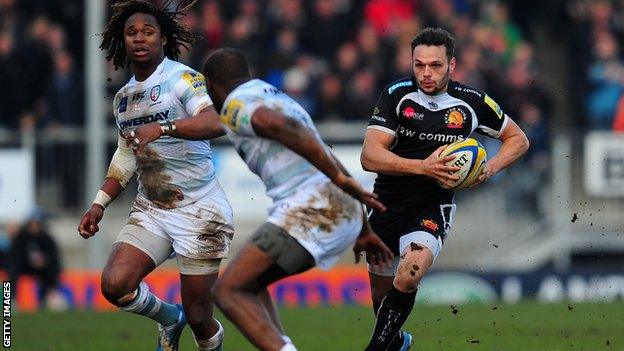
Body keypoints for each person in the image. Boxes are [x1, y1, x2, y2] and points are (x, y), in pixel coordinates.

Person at [201, 48, 394, 351]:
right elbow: (321, 148)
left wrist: (340, 179)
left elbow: (284, 127)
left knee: (227, 291)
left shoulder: (236, 105)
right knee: (249, 284)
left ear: (211, 85)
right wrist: (363, 228)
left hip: (310, 208)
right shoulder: (275, 96)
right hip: (336, 207)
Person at [361, 27, 530, 351]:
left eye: (435, 65)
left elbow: (518, 140)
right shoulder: (397, 96)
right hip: (385, 203)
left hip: (430, 207)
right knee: (382, 298)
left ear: (451, 65)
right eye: (419, 64)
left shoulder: (472, 102)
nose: (426, 72)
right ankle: (398, 344)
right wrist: (422, 166)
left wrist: (490, 168)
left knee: (409, 274)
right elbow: (370, 156)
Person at [77, 2, 232, 350]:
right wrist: (99, 204)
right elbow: (125, 155)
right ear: (123, 40)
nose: (139, 38)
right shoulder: (123, 98)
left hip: (200, 209)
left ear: (162, 38)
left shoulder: (182, 78)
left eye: (147, 31)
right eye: (132, 33)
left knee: (199, 315)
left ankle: (195, 327)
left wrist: (163, 128)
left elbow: (217, 121)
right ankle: (168, 318)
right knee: (114, 284)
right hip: (153, 210)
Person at [9, 208, 61, 308]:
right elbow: (15, 256)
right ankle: (11, 300)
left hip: (41, 268)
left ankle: (47, 298)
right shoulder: (21, 237)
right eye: (32, 223)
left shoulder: (47, 239)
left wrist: (44, 261)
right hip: (24, 266)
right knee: (11, 269)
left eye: (37, 224)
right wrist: (28, 260)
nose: (35, 226)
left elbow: (54, 258)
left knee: (52, 270)